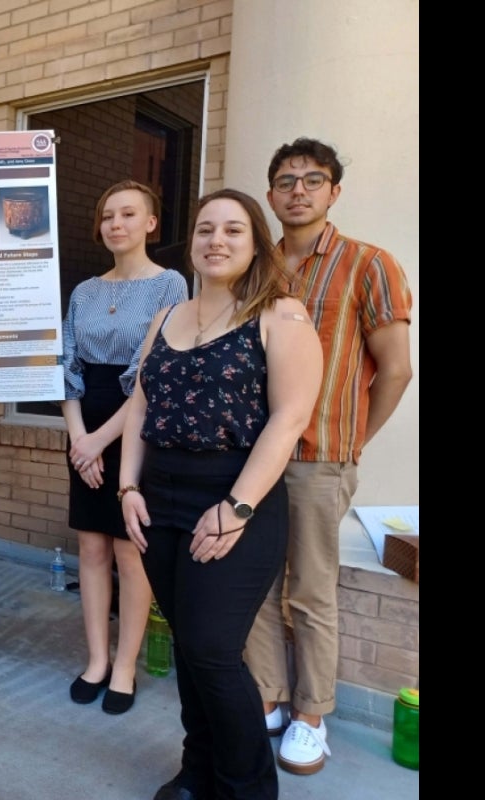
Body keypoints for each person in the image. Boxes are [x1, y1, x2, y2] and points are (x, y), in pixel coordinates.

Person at [119, 189, 322, 800]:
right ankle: (197, 771)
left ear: (256, 242)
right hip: (160, 497)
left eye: (234, 230)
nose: (217, 240)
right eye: (206, 229)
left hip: (236, 494)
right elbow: (140, 406)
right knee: (189, 645)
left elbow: (289, 419)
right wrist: (127, 485)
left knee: (211, 650)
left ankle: (247, 788)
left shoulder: (281, 314)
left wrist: (235, 508)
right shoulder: (166, 318)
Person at [245, 138, 413, 775]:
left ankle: (312, 716)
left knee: (312, 592)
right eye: (286, 180)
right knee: (258, 583)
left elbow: (396, 370)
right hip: (251, 454)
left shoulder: (368, 264)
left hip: (319, 455)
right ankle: (267, 694)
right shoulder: (258, 268)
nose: (298, 191)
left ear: (333, 192)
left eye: (313, 180)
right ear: (270, 194)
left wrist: (351, 442)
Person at [61, 180, 187, 714]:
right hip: (83, 425)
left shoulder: (171, 286)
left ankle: (127, 666)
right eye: (108, 215)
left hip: (135, 426)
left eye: (128, 214)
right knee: (90, 547)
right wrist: (78, 440)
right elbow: (65, 367)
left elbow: (151, 374)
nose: (116, 224)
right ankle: (96, 659)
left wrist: (99, 441)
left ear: (151, 223)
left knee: (129, 552)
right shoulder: (84, 291)